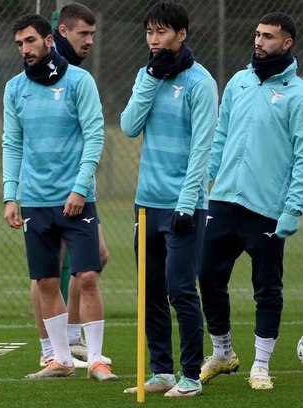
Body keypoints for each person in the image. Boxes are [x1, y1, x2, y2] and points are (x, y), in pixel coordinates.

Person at [3, 13, 116, 381]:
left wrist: (80, 188)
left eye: (31, 41)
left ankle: (97, 359)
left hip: (76, 199)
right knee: (47, 281)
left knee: (87, 276)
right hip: (35, 200)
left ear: (49, 40)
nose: (25, 49)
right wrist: (10, 196)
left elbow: (95, 137)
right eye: (20, 43)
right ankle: (61, 360)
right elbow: (12, 143)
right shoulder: (14, 88)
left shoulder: (80, 81)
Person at [198, 12, 303, 391]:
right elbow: (221, 135)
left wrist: (293, 207)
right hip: (223, 199)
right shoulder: (239, 82)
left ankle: (261, 364)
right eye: (257, 34)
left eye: (269, 37)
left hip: (267, 209)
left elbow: (302, 155)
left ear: (287, 43)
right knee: (207, 276)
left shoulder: (298, 94)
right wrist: (207, 182)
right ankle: (223, 352)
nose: (259, 41)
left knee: (267, 288)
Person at [120, 1, 218, 397]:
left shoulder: (200, 82)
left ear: (181, 35)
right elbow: (128, 126)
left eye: (161, 32)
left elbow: (202, 149)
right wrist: (149, 77)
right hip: (147, 203)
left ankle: (190, 375)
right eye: (149, 32)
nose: (154, 39)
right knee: (151, 292)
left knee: (181, 289)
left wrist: (186, 202)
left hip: (185, 206)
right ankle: (161, 370)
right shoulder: (148, 76)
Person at [30, 2, 112, 371]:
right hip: (45, 192)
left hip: (77, 188)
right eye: (83, 33)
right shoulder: (38, 76)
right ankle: (51, 348)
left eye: (93, 34)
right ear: (60, 33)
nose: (90, 41)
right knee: (47, 272)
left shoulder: (77, 75)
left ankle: (73, 337)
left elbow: (91, 133)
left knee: (96, 259)